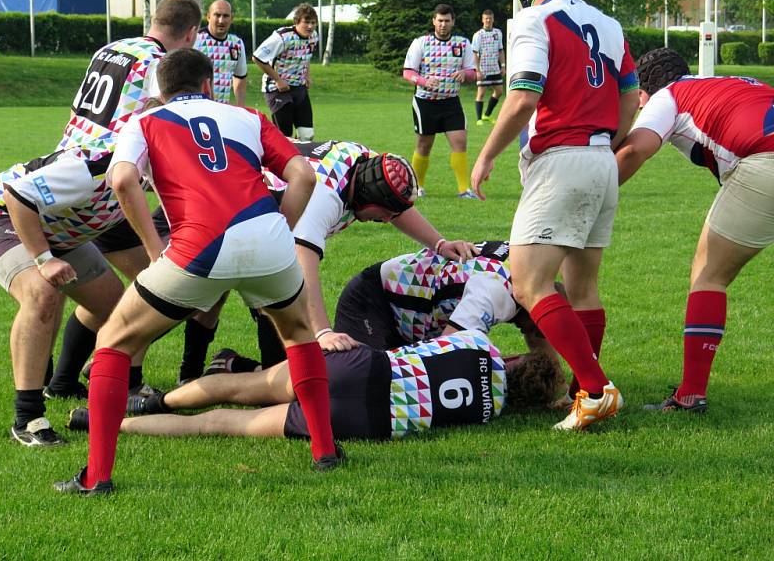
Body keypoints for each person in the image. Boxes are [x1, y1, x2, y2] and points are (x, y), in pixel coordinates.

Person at [54, 48, 343, 496]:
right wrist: (277, 230)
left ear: (160, 91)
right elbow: (303, 176)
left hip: (198, 247)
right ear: (209, 84)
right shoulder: (247, 116)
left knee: (113, 343)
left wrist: (154, 250)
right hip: (267, 238)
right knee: (300, 335)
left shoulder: (145, 122)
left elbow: (123, 180)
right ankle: (326, 451)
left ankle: (96, 477)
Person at [0, 0, 201, 447]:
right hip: (6, 211)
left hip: (71, 211)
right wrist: (42, 257)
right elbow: (19, 197)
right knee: (42, 293)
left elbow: (80, 119)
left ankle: (89, 378)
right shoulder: (106, 161)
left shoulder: (111, 52)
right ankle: (28, 418)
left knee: (120, 305)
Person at [470, 0, 639, 431]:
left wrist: (485, 157)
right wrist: (607, 139)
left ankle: (596, 388)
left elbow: (524, 94)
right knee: (582, 286)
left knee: (527, 281)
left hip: (562, 158)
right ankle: (583, 395)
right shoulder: (608, 22)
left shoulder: (531, 19)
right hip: (602, 159)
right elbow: (631, 93)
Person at [45, 0, 203, 400]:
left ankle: (64, 381)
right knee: (164, 290)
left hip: (68, 173)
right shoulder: (160, 65)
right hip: (108, 189)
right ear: (190, 34)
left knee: (130, 292)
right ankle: (125, 381)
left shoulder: (110, 48)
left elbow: (77, 110)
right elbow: (163, 119)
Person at [615, 47, 774, 413]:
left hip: (764, 164)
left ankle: (690, 395)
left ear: (645, 90)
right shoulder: (726, 80)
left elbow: (635, 151)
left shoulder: (666, 96)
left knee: (708, 276)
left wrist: (591, 195)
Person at [65, 330, 565, 443]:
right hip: (369, 422)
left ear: (519, 358)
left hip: (364, 369)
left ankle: (153, 397)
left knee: (242, 385)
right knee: (223, 426)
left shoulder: (481, 345)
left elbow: (426, 342)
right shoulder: (491, 413)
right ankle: (107, 422)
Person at [254, 139, 479, 366]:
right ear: (368, 196)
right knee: (281, 301)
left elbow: (397, 210)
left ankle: (242, 367)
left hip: (266, 225)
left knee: (278, 313)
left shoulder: (369, 166)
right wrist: (322, 333)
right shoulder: (323, 197)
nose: (385, 220)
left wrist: (440, 243)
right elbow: (302, 260)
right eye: (384, 214)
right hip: (245, 218)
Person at [333, 240, 550, 353]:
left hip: (410, 312)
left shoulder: (530, 267)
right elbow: (444, 350)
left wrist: (553, 381)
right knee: (362, 379)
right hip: (373, 301)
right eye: (538, 331)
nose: (530, 333)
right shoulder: (494, 292)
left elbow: (540, 332)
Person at [403, 3, 477, 199]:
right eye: (440, 20)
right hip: (425, 102)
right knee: (424, 145)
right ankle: (417, 187)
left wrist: (465, 74)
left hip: (451, 101)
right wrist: (424, 81)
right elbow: (408, 72)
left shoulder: (463, 44)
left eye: (447, 21)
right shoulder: (421, 42)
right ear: (433, 21)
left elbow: (473, 72)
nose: (443, 24)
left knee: (460, 142)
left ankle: (464, 190)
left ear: (453, 22)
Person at [253, 3, 318, 140]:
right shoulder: (282, 37)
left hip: (299, 88)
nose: (310, 26)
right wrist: (278, 80)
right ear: (297, 21)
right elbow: (257, 57)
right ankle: (275, 160)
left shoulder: (313, 37)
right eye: (306, 22)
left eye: (313, 23)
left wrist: (306, 75)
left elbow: (306, 56)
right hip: (278, 90)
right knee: (285, 137)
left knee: (307, 135)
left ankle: (301, 160)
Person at [194, 0, 248, 106]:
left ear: (232, 18)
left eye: (226, 16)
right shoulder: (195, 39)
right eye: (217, 15)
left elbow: (240, 78)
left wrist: (241, 108)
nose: (221, 20)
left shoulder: (237, 44)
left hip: (222, 109)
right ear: (208, 17)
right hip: (197, 107)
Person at [471, 9, 506, 126]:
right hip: (483, 69)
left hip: (495, 68)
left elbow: (501, 50)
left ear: (493, 19)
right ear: (482, 19)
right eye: (486, 18)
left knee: (499, 91)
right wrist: (477, 70)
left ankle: (487, 115)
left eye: (490, 18)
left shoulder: (498, 33)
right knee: (481, 93)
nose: (488, 20)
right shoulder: (478, 35)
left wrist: (503, 66)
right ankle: (478, 118)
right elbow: (474, 53)